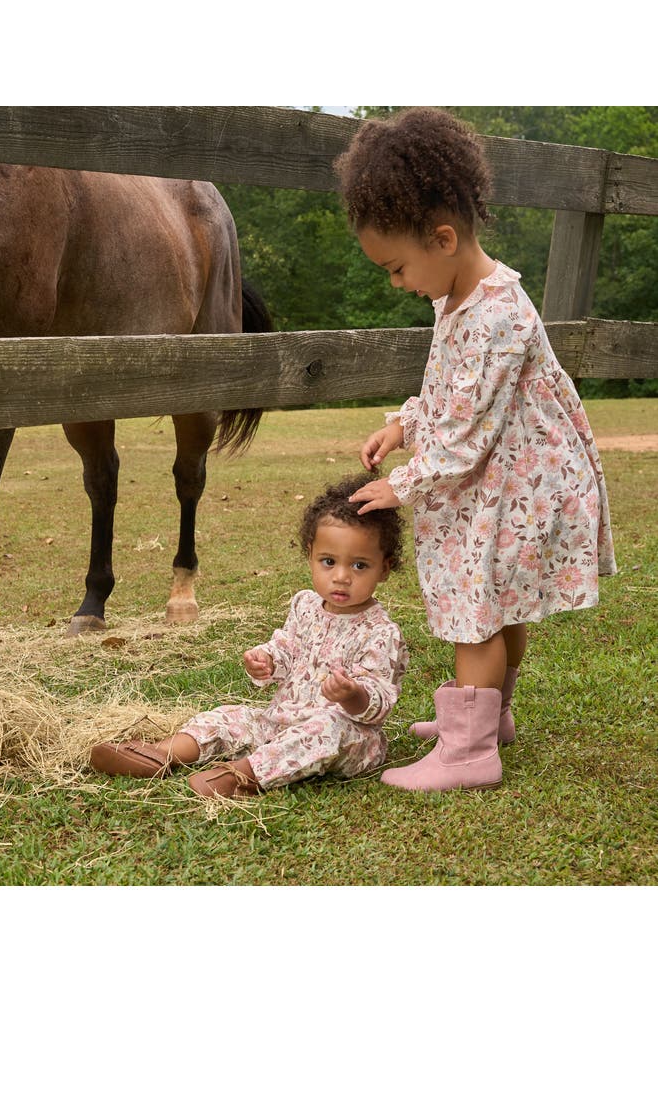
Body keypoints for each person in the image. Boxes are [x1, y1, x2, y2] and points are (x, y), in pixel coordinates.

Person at [334, 107, 616, 792]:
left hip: (517, 484)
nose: (396, 283)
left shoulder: (496, 314)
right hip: (509, 476)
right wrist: (405, 422)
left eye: (398, 267)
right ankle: (488, 718)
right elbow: (450, 394)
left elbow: (461, 441)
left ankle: (469, 752)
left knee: (477, 608)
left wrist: (403, 482)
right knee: (500, 601)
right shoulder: (459, 298)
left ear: (444, 237)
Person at [90, 476, 408, 798]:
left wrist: (352, 694)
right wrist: (267, 660)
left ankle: (241, 776)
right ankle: (159, 753)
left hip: (346, 737)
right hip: (278, 722)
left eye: (359, 565)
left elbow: (378, 701)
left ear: (384, 568)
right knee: (229, 716)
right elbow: (287, 647)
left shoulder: (380, 632)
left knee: (327, 730)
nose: (341, 577)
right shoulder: (305, 605)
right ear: (310, 555)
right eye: (329, 562)